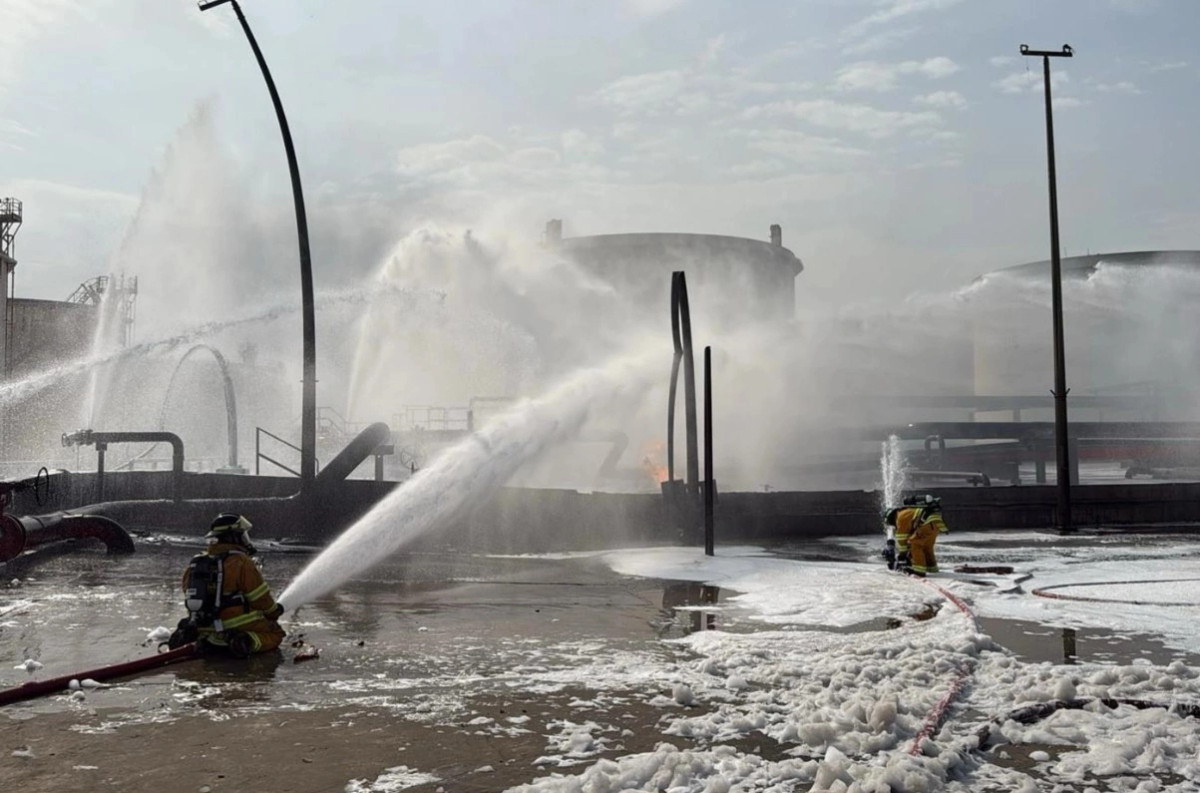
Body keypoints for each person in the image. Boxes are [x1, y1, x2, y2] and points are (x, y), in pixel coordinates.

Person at [169, 513, 285, 658]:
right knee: (276, 633)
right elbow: (260, 598)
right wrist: (274, 612)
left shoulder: (198, 563)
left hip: (204, 625)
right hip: (235, 626)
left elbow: (188, 590)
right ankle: (245, 641)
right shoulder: (241, 562)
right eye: (242, 535)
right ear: (233, 537)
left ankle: (196, 636)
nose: (245, 539)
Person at [883, 495, 948, 577]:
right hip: (935, 523)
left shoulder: (900, 517)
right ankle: (932, 568)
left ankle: (919, 571)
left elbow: (901, 538)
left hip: (927, 523)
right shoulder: (907, 511)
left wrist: (902, 554)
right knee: (927, 546)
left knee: (915, 544)